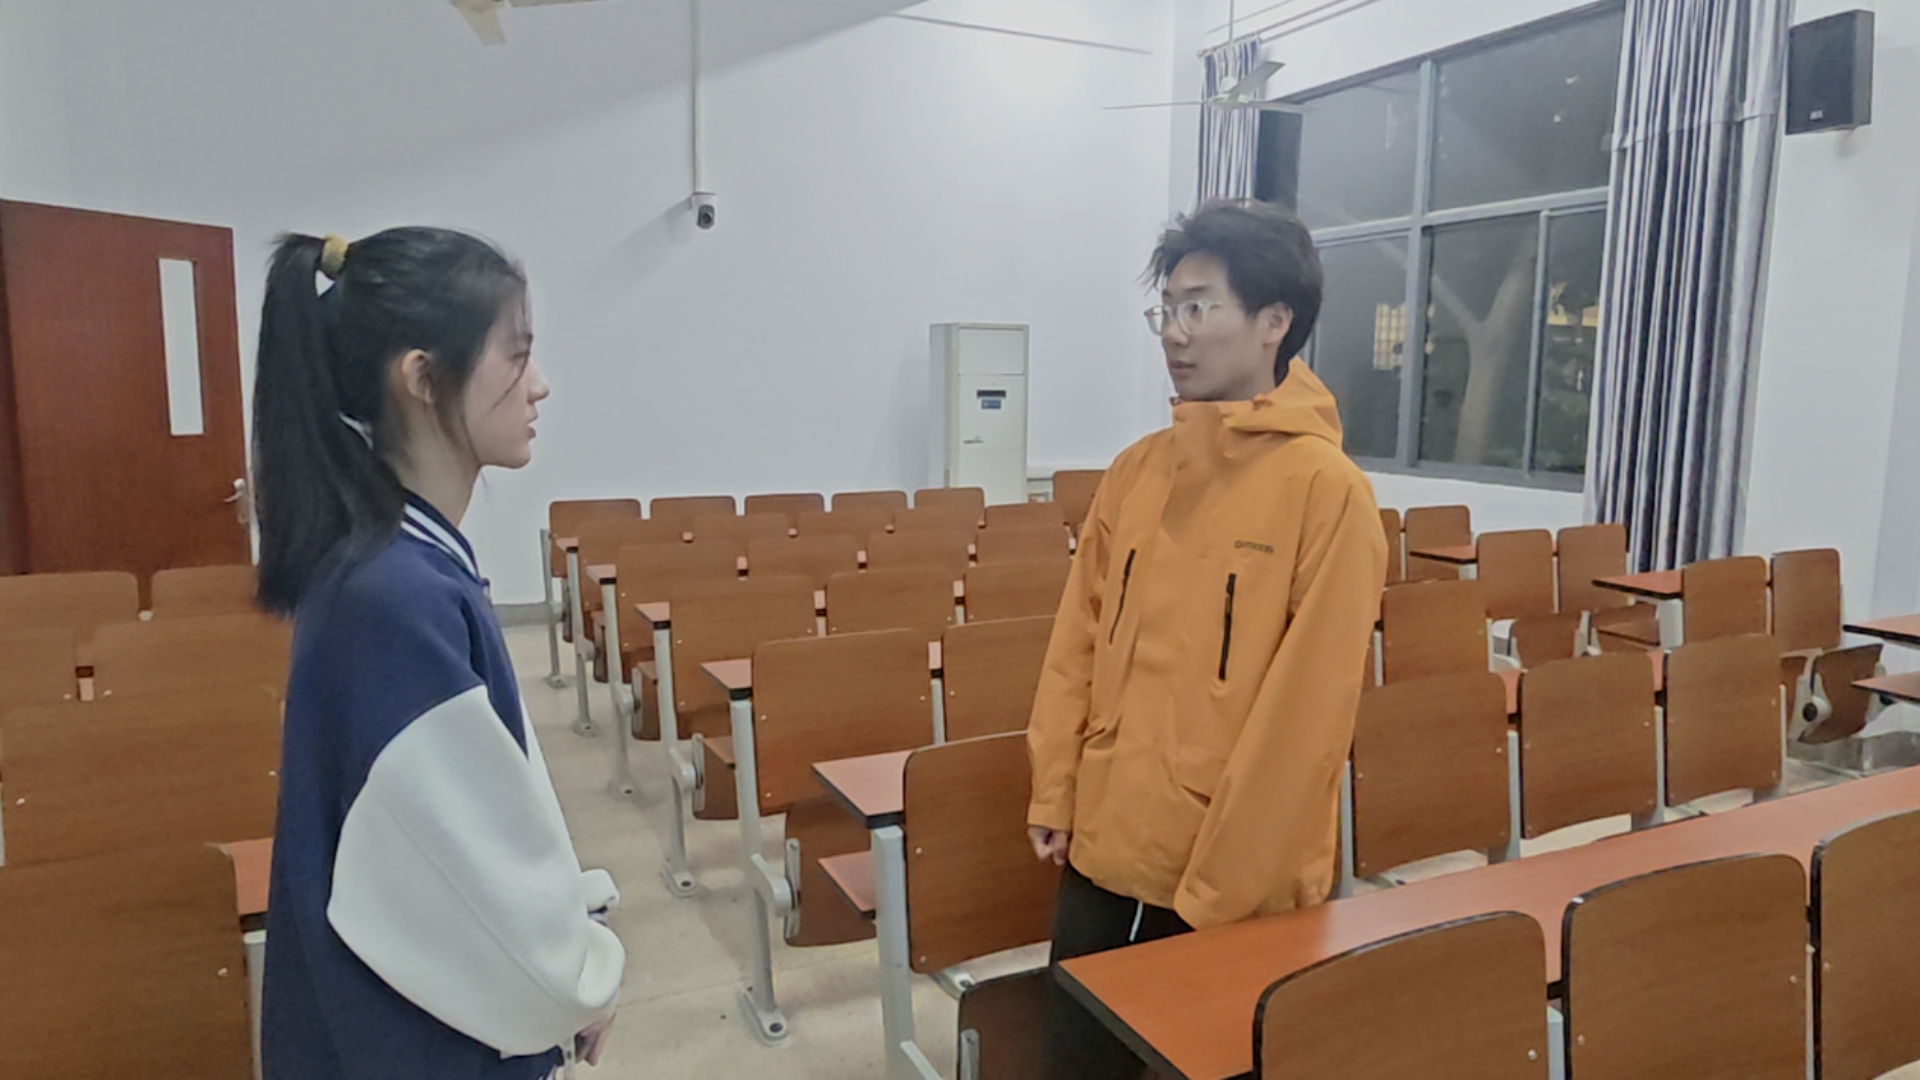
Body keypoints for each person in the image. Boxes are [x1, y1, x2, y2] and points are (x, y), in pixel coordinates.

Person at [1027, 200, 1388, 1077]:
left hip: (1228, 879)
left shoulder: (1326, 493)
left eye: (1199, 308)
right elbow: (1076, 646)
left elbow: (1304, 725)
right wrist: (1056, 792)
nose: (1174, 334)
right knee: (1075, 1063)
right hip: (1104, 846)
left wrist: (1221, 893)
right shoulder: (1136, 472)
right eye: (1167, 310)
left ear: (1275, 321)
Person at [253, 228, 624, 1080]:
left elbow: (480, 833)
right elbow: (469, 889)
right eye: (516, 357)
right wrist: (580, 979)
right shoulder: (392, 597)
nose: (539, 385)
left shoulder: (401, 566)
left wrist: (572, 938)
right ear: (422, 379)